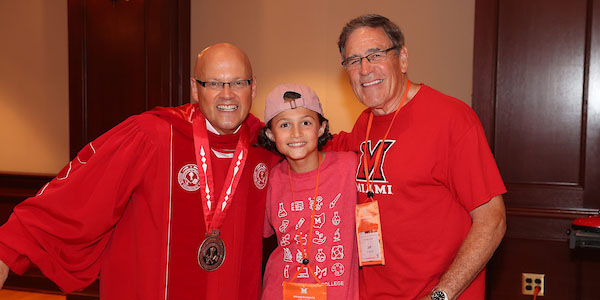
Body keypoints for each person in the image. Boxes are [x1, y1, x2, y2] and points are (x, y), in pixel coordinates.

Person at [0, 43, 280, 300]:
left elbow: (318, 167)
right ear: (195, 89)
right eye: (214, 83)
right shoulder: (151, 136)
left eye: (238, 83)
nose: (227, 94)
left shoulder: (267, 145)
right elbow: (78, 194)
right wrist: (7, 249)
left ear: (253, 88)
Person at [326, 14, 507, 300]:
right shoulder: (365, 123)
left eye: (375, 55)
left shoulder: (452, 119)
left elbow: (492, 220)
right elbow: (319, 145)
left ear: (403, 58)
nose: (364, 69)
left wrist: (440, 296)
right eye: (353, 60)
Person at [258, 84, 358, 300]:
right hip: (281, 292)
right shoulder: (271, 179)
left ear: (321, 128)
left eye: (306, 122)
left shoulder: (349, 167)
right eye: (285, 124)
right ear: (271, 134)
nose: (296, 133)